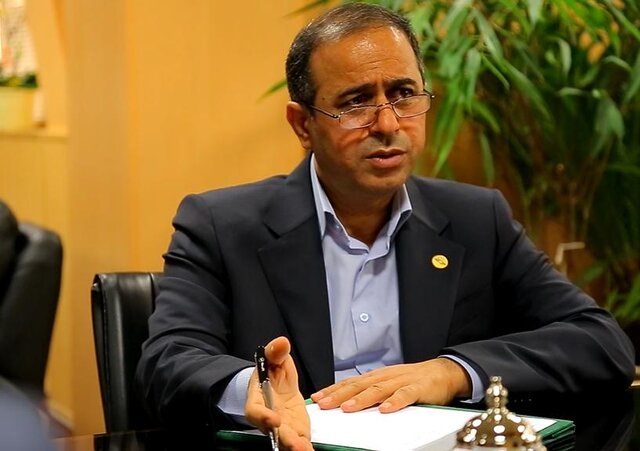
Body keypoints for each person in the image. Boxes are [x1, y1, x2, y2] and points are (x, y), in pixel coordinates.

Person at [136, 3, 635, 450]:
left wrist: (452, 372)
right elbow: (168, 360)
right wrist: (254, 386)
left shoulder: (476, 219)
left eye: (403, 94)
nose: (389, 124)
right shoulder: (222, 225)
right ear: (303, 125)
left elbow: (599, 340)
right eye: (356, 102)